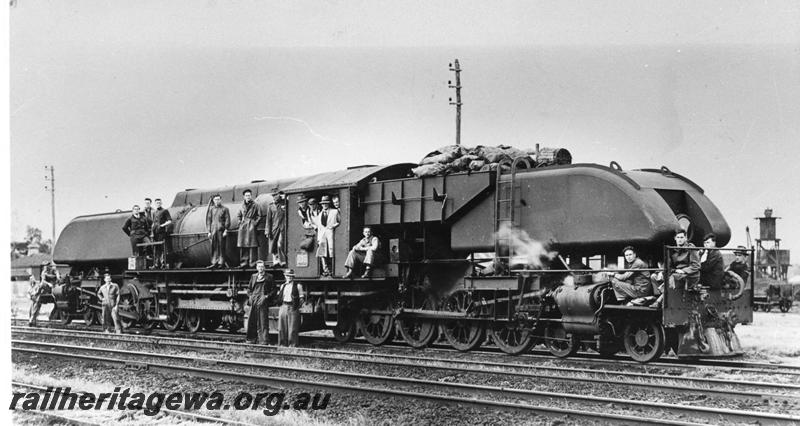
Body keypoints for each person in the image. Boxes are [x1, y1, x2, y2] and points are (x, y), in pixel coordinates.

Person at [247, 260, 274, 344]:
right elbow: (249, 289)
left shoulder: (269, 277)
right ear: (256, 268)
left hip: (263, 300)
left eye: (262, 267)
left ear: (264, 268)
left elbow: (274, 290)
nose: (260, 268)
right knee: (252, 320)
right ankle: (251, 339)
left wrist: (266, 297)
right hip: (254, 299)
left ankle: (264, 340)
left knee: (263, 321)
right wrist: (250, 296)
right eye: (259, 267)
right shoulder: (253, 276)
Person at [312, 195, 340, 276]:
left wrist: (333, 226)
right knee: (322, 253)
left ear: (328, 204)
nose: (324, 205)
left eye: (326, 203)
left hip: (331, 233)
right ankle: (325, 269)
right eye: (323, 203)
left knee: (331, 252)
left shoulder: (335, 211)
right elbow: (319, 226)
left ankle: (332, 269)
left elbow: (339, 221)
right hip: (322, 235)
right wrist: (318, 238)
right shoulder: (320, 214)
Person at [277, 269, 304, 347]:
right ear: (285, 276)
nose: (289, 277)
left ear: (293, 277)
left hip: (293, 307)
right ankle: (282, 344)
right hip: (283, 306)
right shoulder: (283, 286)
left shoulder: (298, 286)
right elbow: (280, 296)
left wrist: (296, 307)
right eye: (287, 276)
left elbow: (301, 299)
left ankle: (292, 345)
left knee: (293, 328)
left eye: (291, 276)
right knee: (281, 327)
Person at [29, 261, 59, 326]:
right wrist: (49, 284)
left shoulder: (53, 270)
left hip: (54, 287)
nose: (46, 267)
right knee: (37, 301)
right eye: (45, 266)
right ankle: (32, 319)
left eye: (47, 266)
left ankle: (52, 317)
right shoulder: (43, 272)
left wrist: (57, 276)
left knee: (58, 302)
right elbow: (43, 281)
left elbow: (57, 277)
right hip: (46, 288)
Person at [206, 194, 231, 268]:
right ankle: (214, 262)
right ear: (213, 201)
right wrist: (209, 231)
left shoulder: (225, 209)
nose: (217, 201)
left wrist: (226, 230)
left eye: (218, 199)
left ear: (221, 200)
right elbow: (209, 220)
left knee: (221, 246)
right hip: (213, 230)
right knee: (214, 247)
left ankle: (221, 262)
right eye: (216, 199)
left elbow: (227, 220)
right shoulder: (211, 209)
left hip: (221, 230)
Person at [237, 189, 261, 268]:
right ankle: (244, 263)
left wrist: (254, 223)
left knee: (252, 245)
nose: (248, 197)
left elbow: (259, 216)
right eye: (246, 195)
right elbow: (239, 215)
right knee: (243, 245)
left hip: (251, 226)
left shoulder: (256, 205)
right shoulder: (241, 206)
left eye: (249, 195)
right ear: (244, 197)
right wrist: (240, 222)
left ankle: (253, 263)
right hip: (243, 227)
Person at [266, 188, 287, 267]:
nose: (275, 197)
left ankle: (282, 261)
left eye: (276, 195)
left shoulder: (285, 203)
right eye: (273, 195)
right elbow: (268, 220)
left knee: (280, 244)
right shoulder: (271, 206)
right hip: (274, 228)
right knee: (273, 245)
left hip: (282, 227)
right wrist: (267, 230)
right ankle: (276, 261)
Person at [152, 198, 173, 268]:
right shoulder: (154, 212)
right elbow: (154, 222)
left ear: (161, 203)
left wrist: (162, 225)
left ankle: (163, 263)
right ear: (155, 204)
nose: (158, 204)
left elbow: (170, 220)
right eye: (157, 203)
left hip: (161, 232)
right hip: (155, 233)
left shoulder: (165, 211)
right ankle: (157, 264)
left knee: (162, 248)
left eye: (159, 203)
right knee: (156, 248)